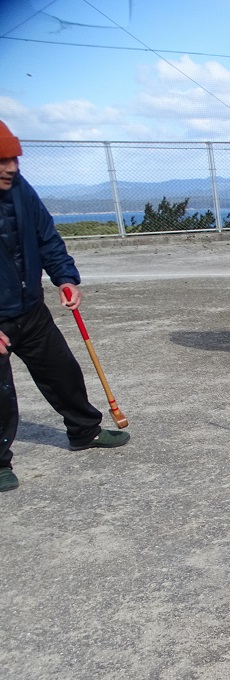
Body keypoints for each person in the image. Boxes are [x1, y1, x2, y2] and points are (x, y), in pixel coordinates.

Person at [0, 120, 129, 492]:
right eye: (2, 160)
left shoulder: (20, 189)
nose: (12, 167)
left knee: (62, 371)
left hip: (29, 307)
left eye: (15, 159)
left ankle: (83, 430)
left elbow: (45, 237)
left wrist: (65, 278)